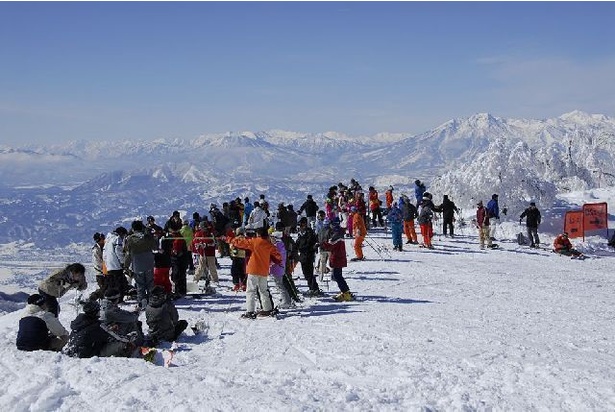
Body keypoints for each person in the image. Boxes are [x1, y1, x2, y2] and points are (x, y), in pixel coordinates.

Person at [230, 227, 282, 319]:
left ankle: (250, 311)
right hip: (264, 270)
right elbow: (278, 256)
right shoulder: (269, 244)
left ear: (258, 234)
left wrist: (231, 239)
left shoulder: (254, 241)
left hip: (253, 269)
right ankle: (267, 309)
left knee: (250, 291)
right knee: (263, 290)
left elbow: (240, 243)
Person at [123, 220, 158, 309]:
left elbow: (128, 254)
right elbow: (155, 247)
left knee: (140, 286)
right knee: (150, 284)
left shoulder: (130, 239)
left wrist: (126, 266)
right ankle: (152, 301)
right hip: (149, 264)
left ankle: (142, 303)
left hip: (137, 265)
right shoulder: (147, 237)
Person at [100, 288, 144, 353]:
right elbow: (131, 318)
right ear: (116, 299)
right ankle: (140, 342)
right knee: (132, 323)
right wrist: (137, 312)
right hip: (109, 336)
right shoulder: (111, 310)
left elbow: (121, 314)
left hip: (106, 332)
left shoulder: (103, 306)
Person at [321, 217, 354, 302]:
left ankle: (346, 293)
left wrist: (321, 244)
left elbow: (330, 245)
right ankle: (346, 292)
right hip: (339, 256)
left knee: (337, 276)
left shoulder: (336, 234)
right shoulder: (339, 232)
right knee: (338, 275)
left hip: (337, 257)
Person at [103, 226, 131, 301]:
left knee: (111, 284)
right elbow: (118, 252)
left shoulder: (108, 239)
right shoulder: (117, 239)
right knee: (119, 284)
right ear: (121, 233)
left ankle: (111, 299)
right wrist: (123, 262)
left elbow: (104, 253)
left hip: (109, 266)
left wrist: (106, 263)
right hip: (116, 266)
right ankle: (119, 299)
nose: (123, 238)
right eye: (123, 235)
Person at [295, 217, 322, 295]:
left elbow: (310, 243)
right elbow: (298, 242)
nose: (300, 226)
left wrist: (301, 248)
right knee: (305, 272)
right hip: (303, 255)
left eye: (301, 224)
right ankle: (312, 287)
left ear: (304, 224)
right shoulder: (301, 233)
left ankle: (313, 288)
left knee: (309, 272)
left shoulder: (309, 232)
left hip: (308, 254)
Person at [269, 227, 293, 309]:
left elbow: (275, 259)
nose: (271, 239)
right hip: (279, 268)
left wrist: (269, 264)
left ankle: (286, 301)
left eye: (272, 237)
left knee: (280, 286)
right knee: (280, 285)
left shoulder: (277, 247)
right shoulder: (281, 245)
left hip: (277, 269)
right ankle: (286, 299)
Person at [89, 232, 107, 301]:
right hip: (100, 273)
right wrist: (103, 270)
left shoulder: (105, 246)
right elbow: (98, 263)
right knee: (103, 289)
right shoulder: (96, 250)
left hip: (106, 271)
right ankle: (93, 297)